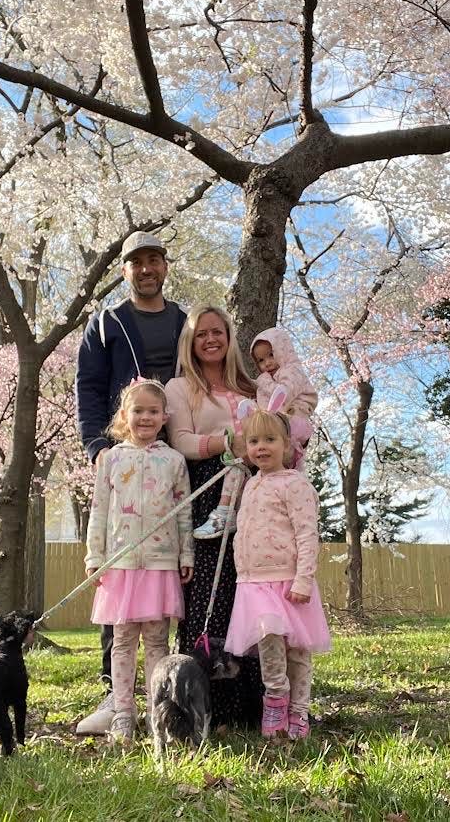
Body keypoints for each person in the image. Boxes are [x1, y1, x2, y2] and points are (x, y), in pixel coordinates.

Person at [75, 230, 186, 734]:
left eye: (154, 259)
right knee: (120, 585)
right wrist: (98, 448)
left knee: (170, 577)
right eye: (136, 262)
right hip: (122, 461)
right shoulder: (106, 323)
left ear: (164, 265)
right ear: (125, 270)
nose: (146, 268)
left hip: (180, 457)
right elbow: (90, 387)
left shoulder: (184, 321)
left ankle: (170, 694)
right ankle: (113, 696)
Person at [165, 304, 264, 728]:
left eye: (217, 332)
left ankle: (253, 704)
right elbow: (183, 441)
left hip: (255, 490)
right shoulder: (178, 386)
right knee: (209, 593)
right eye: (201, 333)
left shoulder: (251, 386)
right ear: (190, 341)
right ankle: (205, 704)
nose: (210, 339)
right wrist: (229, 442)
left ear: (229, 337)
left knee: (250, 589)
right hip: (206, 491)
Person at [84, 378, 194, 745]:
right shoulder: (111, 459)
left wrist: (186, 553)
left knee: (158, 643)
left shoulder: (174, 460)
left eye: (153, 411)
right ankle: (123, 713)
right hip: (121, 564)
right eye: (138, 410)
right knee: (123, 641)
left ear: (164, 417)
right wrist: (94, 556)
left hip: (160, 565)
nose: (145, 417)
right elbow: (98, 511)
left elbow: (183, 512)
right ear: (124, 416)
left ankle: (156, 714)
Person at [224, 408, 331, 740]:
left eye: (270, 440)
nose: (261, 447)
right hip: (254, 583)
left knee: (297, 650)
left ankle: (299, 711)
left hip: (288, 580)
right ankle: (275, 698)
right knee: (268, 640)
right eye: (254, 441)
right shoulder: (250, 484)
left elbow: (306, 534)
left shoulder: (295, 484)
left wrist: (303, 578)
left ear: (287, 445)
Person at [194, 326, 318, 540]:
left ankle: (287, 508)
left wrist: (261, 381)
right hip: (276, 424)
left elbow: (283, 395)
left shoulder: (291, 371)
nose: (267, 364)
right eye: (261, 361)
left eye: (271, 355)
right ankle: (231, 508)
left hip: (291, 424)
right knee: (243, 460)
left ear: (283, 351)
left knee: (281, 466)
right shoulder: (273, 376)